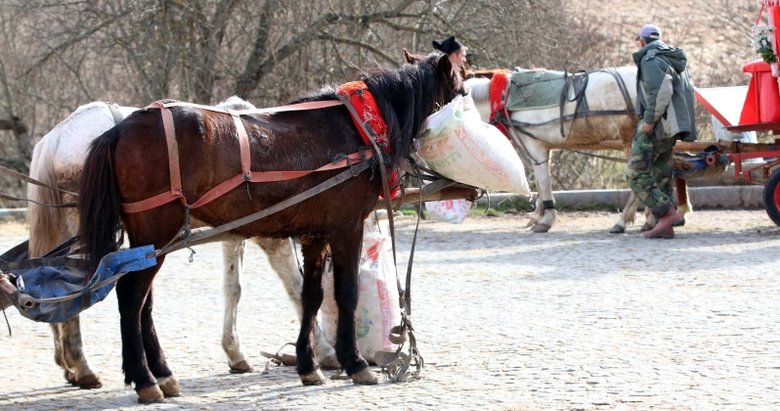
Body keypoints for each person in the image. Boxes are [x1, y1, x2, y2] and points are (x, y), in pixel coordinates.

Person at [629, 23, 698, 239]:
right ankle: (665, 226)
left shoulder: (650, 59)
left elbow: (661, 90)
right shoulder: (671, 57)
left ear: (642, 41)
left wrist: (649, 120)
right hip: (673, 126)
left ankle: (666, 213)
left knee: (636, 172)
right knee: (661, 171)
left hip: (658, 125)